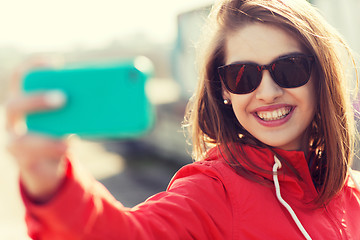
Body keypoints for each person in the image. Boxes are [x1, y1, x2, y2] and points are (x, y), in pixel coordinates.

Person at [5, 0, 360, 239]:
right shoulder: (213, 192)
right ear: (223, 90)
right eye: (243, 77)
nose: (266, 92)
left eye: (289, 68)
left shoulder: (353, 193)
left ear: (322, 77)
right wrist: (53, 187)